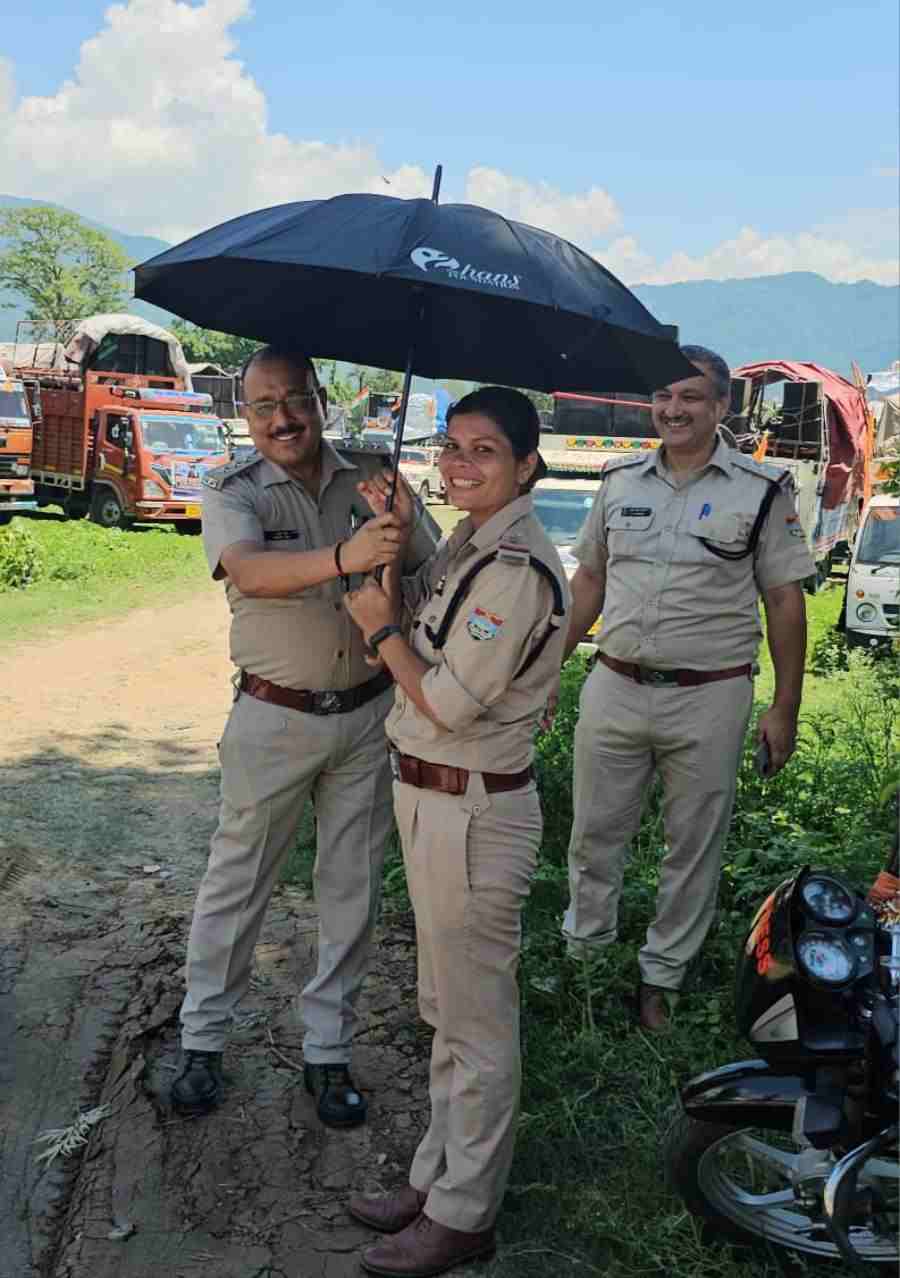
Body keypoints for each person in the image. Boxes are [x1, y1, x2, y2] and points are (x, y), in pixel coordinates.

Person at [171, 346, 437, 1126]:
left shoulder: (374, 475)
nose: (283, 418)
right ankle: (202, 1041)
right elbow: (250, 572)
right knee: (238, 879)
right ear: (244, 414)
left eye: (296, 399)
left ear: (322, 400)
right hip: (273, 718)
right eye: (264, 405)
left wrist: (402, 530)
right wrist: (346, 555)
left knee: (351, 886)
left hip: (367, 716)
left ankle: (328, 1050)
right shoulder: (234, 488)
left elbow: (433, 570)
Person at [342, 388, 570, 1278]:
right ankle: (435, 1180)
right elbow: (430, 633)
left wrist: (380, 629)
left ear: (526, 464)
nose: (460, 463)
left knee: (475, 1023)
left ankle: (466, 1214)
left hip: (474, 812)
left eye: (484, 450)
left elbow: (444, 698)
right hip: (433, 798)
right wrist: (400, 541)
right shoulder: (472, 544)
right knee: (444, 1007)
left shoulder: (515, 569)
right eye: (452, 446)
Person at [562, 345, 815, 1032]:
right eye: (663, 396)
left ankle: (661, 981)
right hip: (615, 686)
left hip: (710, 696)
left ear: (721, 406)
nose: (673, 409)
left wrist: (785, 707)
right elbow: (589, 580)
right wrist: (548, 667)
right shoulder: (619, 482)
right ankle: (585, 967)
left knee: (692, 846)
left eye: (691, 397)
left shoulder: (761, 490)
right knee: (593, 835)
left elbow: (784, 601)